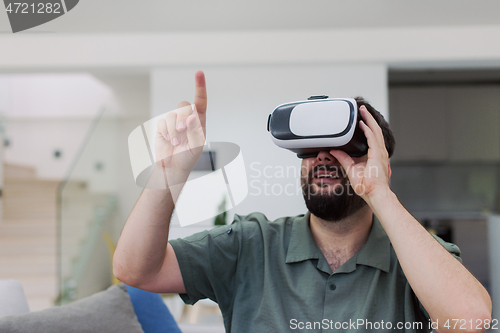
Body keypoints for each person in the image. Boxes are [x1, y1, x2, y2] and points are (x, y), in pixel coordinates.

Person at [113, 71, 492, 332]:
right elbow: (136, 270)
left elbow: (471, 320)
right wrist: (168, 173)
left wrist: (380, 194)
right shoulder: (251, 245)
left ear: (381, 165)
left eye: (343, 149)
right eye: (310, 149)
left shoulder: (417, 259)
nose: (324, 158)